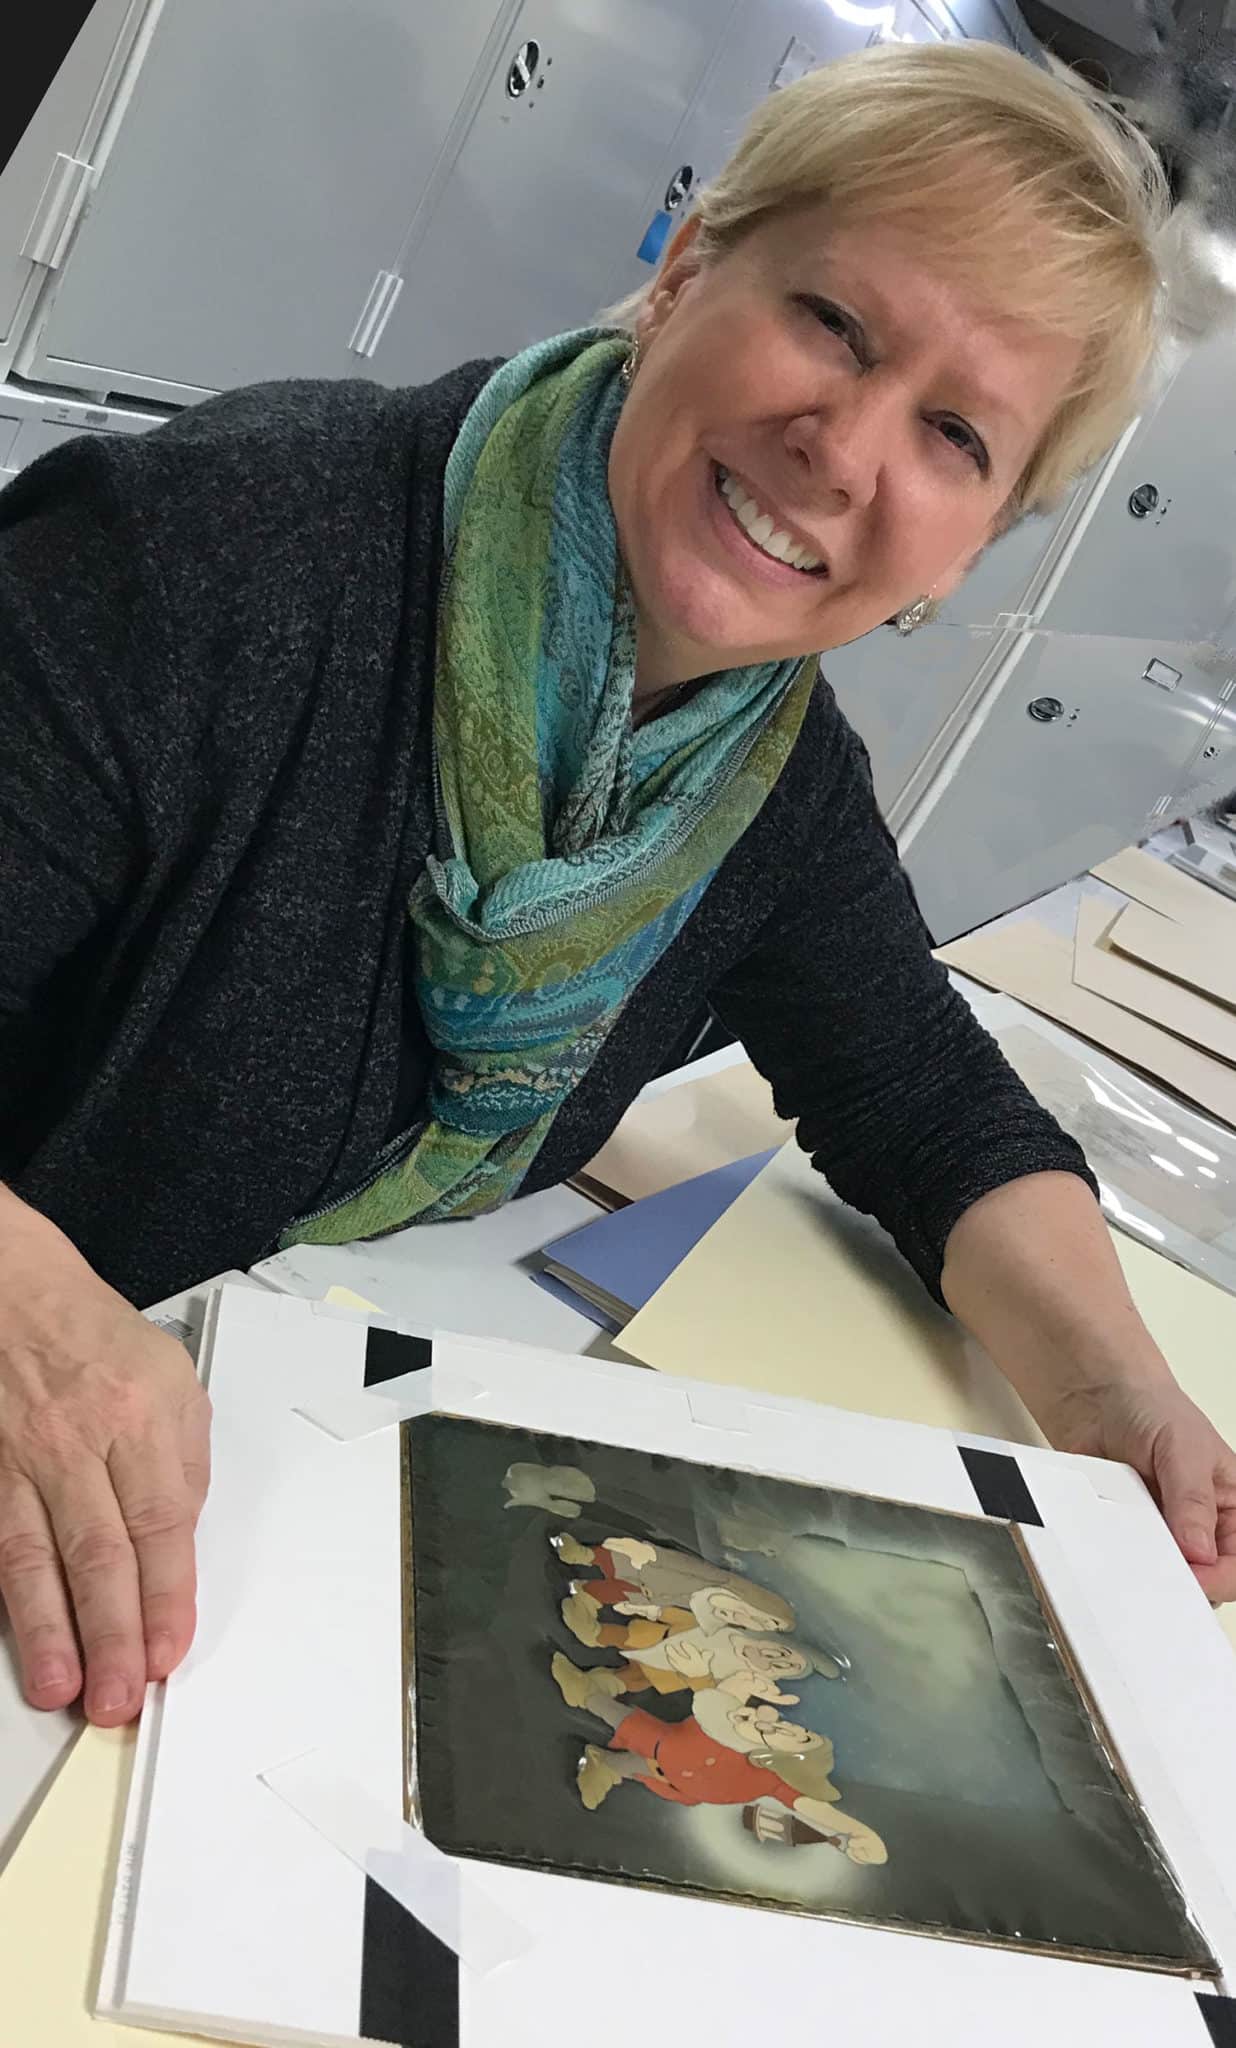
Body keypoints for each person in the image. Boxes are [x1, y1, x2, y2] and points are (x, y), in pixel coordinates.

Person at [1, 39, 1234, 1735]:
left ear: (974, 549)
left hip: (215, 1500)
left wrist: (1121, 1403)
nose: (845, 447)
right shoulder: (223, 550)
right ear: (685, 271)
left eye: (954, 434)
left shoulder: (758, 783)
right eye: (834, 325)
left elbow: (925, 1099)